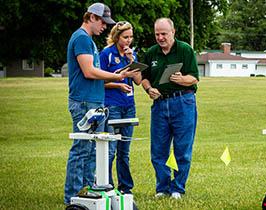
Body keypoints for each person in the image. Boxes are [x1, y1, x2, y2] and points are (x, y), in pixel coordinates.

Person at [64, 3, 137, 205]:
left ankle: (88, 194)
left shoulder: (89, 41)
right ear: (92, 18)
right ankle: (73, 197)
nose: (105, 27)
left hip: (95, 101)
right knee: (81, 149)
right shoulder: (81, 38)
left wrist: (118, 77)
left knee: (92, 151)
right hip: (84, 101)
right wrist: (117, 75)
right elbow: (89, 72)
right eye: (103, 22)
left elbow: (97, 77)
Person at [141, 18, 199, 199]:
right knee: (158, 150)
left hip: (183, 102)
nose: (160, 37)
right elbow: (144, 78)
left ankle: (178, 188)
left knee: (182, 149)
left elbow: (194, 78)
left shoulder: (185, 50)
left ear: (173, 32)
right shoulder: (151, 53)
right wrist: (149, 89)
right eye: (157, 34)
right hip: (159, 105)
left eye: (164, 33)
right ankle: (162, 188)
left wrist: (182, 79)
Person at [99, 21, 142, 194]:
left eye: (131, 37)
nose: (128, 41)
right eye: (125, 37)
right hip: (112, 106)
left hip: (129, 106)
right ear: (117, 37)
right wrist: (118, 84)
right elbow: (99, 81)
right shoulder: (106, 54)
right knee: (110, 150)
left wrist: (132, 60)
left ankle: (126, 188)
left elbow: (138, 81)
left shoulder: (132, 54)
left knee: (124, 151)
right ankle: (107, 186)